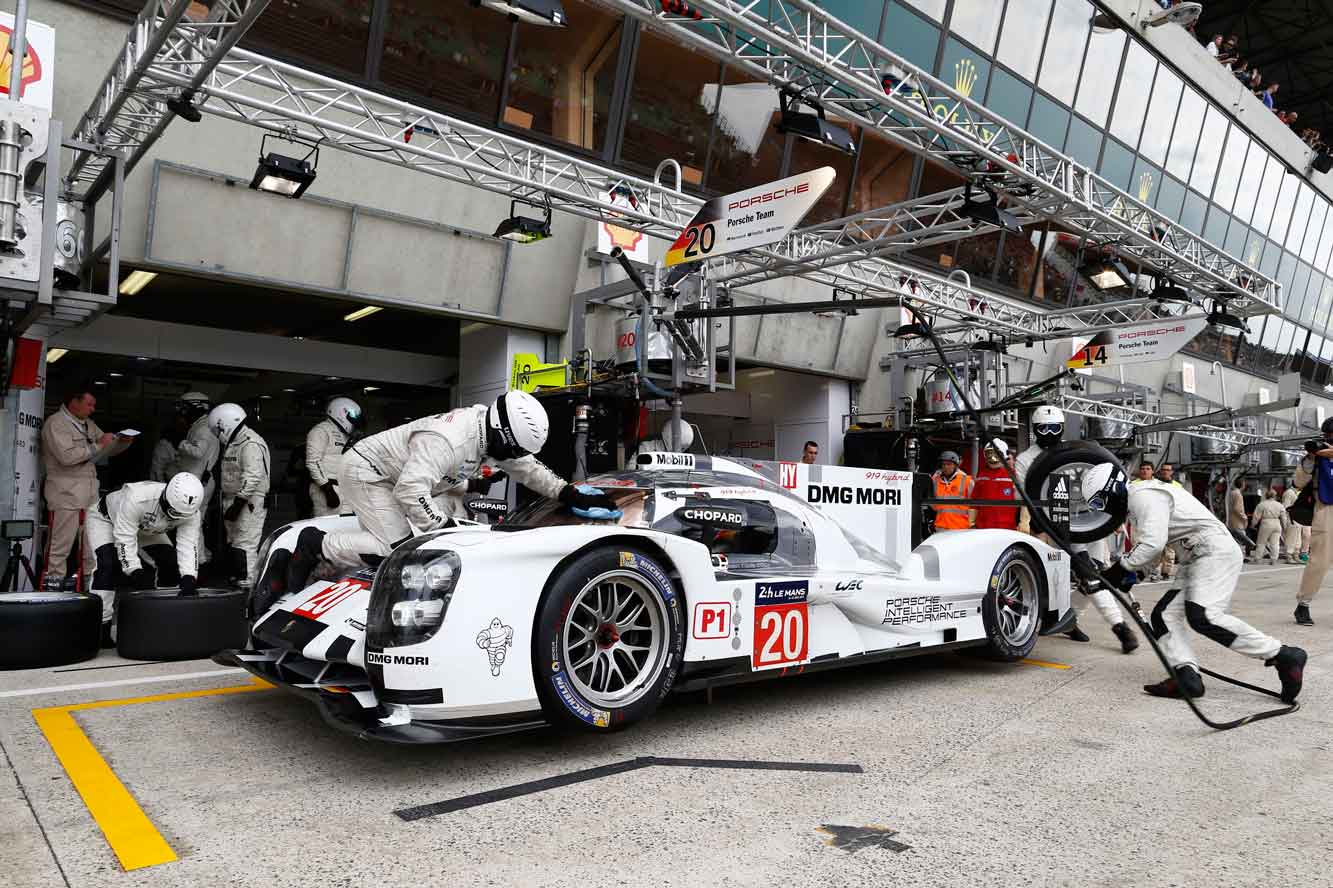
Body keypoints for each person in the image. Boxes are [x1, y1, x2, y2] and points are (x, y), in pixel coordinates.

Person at [285, 391, 616, 592]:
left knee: (410, 541)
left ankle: (339, 570)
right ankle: (317, 545)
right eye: (513, 451)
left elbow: (526, 468)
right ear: (503, 436)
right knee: (396, 549)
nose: (514, 460)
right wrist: (441, 528)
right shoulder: (450, 439)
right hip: (366, 472)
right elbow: (411, 491)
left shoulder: (493, 433)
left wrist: (567, 494)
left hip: (396, 476)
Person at [1080, 463, 1306, 702]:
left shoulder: (1143, 495)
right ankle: (1186, 676)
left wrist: (1120, 570)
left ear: (1112, 489)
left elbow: (1152, 544)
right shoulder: (1141, 501)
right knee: (1164, 616)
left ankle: (1283, 654)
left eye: (1099, 502)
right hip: (1196, 555)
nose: (1102, 510)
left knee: (1203, 616)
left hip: (1212, 550)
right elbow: (1156, 544)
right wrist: (1138, 573)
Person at [1013, 406, 1137, 652]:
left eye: (1055, 428)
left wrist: (1112, 517)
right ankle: (1121, 628)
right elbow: (1023, 494)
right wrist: (1036, 520)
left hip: (1091, 518)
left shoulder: (1075, 450)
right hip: (1059, 522)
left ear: (1062, 428)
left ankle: (1068, 620)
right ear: (1035, 430)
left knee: (1094, 573)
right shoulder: (1025, 459)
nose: (1049, 433)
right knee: (1091, 574)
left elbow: (1101, 477)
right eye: (1043, 428)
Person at [85, 473, 204, 645]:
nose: (175, 519)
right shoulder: (137, 498)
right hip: (106, 519)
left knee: (170, 562)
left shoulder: (191, 513)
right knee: (108, 566)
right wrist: (134, 570)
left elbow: (188, 544)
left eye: (180, 516)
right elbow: (124, 539)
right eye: (172, 513)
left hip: (147, 528)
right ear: (165, 499)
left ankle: (167, 616)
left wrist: (189, 576)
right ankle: (101, 626)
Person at [40, 389, 131, 591]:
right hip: (65, 495)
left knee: (90, 546)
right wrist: (99, 445)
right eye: (89, 404)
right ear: (74, 402)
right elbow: (67, 457)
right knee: (59, 546)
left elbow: (107, 447)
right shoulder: (56, 423)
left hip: (89, 494)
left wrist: (122, 443)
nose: (93, 409)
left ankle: (89, 589)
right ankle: (51, 590)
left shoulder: (88, 424)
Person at [209, 403, 270, 589]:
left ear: (226, 423)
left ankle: (248, 585)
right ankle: (240, 578)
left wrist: (237, 505)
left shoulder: (250, 443)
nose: (218, 433)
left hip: (247, 502)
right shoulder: (236, 443)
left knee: (245, 543)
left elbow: (252, 476)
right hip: (234, 499)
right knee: (235, 542)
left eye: (218, 429)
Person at [1295, 419, 1333, 625]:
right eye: (1327, 436)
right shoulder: (1317, 458)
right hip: (1326, 509)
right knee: (1319, 561)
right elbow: (1299, 483)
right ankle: (1303, 605)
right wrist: (1310, 459)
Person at [307, 397, 363, 517]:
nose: (353, 421)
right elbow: (313, 462)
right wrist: (328, 490)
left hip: (344, 488)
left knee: (345, 527)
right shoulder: (320, 431)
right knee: (327, 528)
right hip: (327, 488)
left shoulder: (345, 435)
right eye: (351, 417)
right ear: (340, 413)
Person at [972, 441, 1018, 530]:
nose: (992, 458)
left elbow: (1023, 502)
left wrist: (1024, 523)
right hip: (983, 526)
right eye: (989, 454)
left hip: (1006, 527)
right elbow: (974, 501)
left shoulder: (1013, 476)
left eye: (996, 454)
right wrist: (971, 523)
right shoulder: (982, 475)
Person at [930, 451, 973, 531]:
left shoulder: (966, 480)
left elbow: (975, 505)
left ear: (955, 466)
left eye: (949, 464)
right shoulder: (935, 480)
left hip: (961, 528)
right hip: (941, 527)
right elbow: (933, 504)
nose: (946, 467)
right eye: (943, 464)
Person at [1250, 488, 1289, 566]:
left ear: (1266, 495)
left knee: (1261, 542)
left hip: (1266, 523)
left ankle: (1258, 559)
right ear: (1275, 496)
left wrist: (1253, 525)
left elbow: (1256, 517)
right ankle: (1274, 559)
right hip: (1277, 523)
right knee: (1275, 543)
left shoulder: (1262, 504)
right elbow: (1284, 517)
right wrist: (1285, 527)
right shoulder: (1280, 505)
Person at [1281, 481, 1311, 564]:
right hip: (1291, 518)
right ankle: (1289, 556)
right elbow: (1285, 507)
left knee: (1297, 538)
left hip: (1298, 519)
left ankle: (1296, 555)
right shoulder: (1289, 493)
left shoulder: (1297, 492)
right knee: (1291, 538)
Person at [1227, 478, 1252, 561]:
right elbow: (1237, 508)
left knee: (1234, 539)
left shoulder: (1231, 493)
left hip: (1231, 520)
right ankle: (1241, 557)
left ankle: (1234, 556)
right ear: (1242, 485)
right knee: (1241, 538)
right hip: (1238, 521)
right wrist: (1244, 517)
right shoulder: (1238, 494)